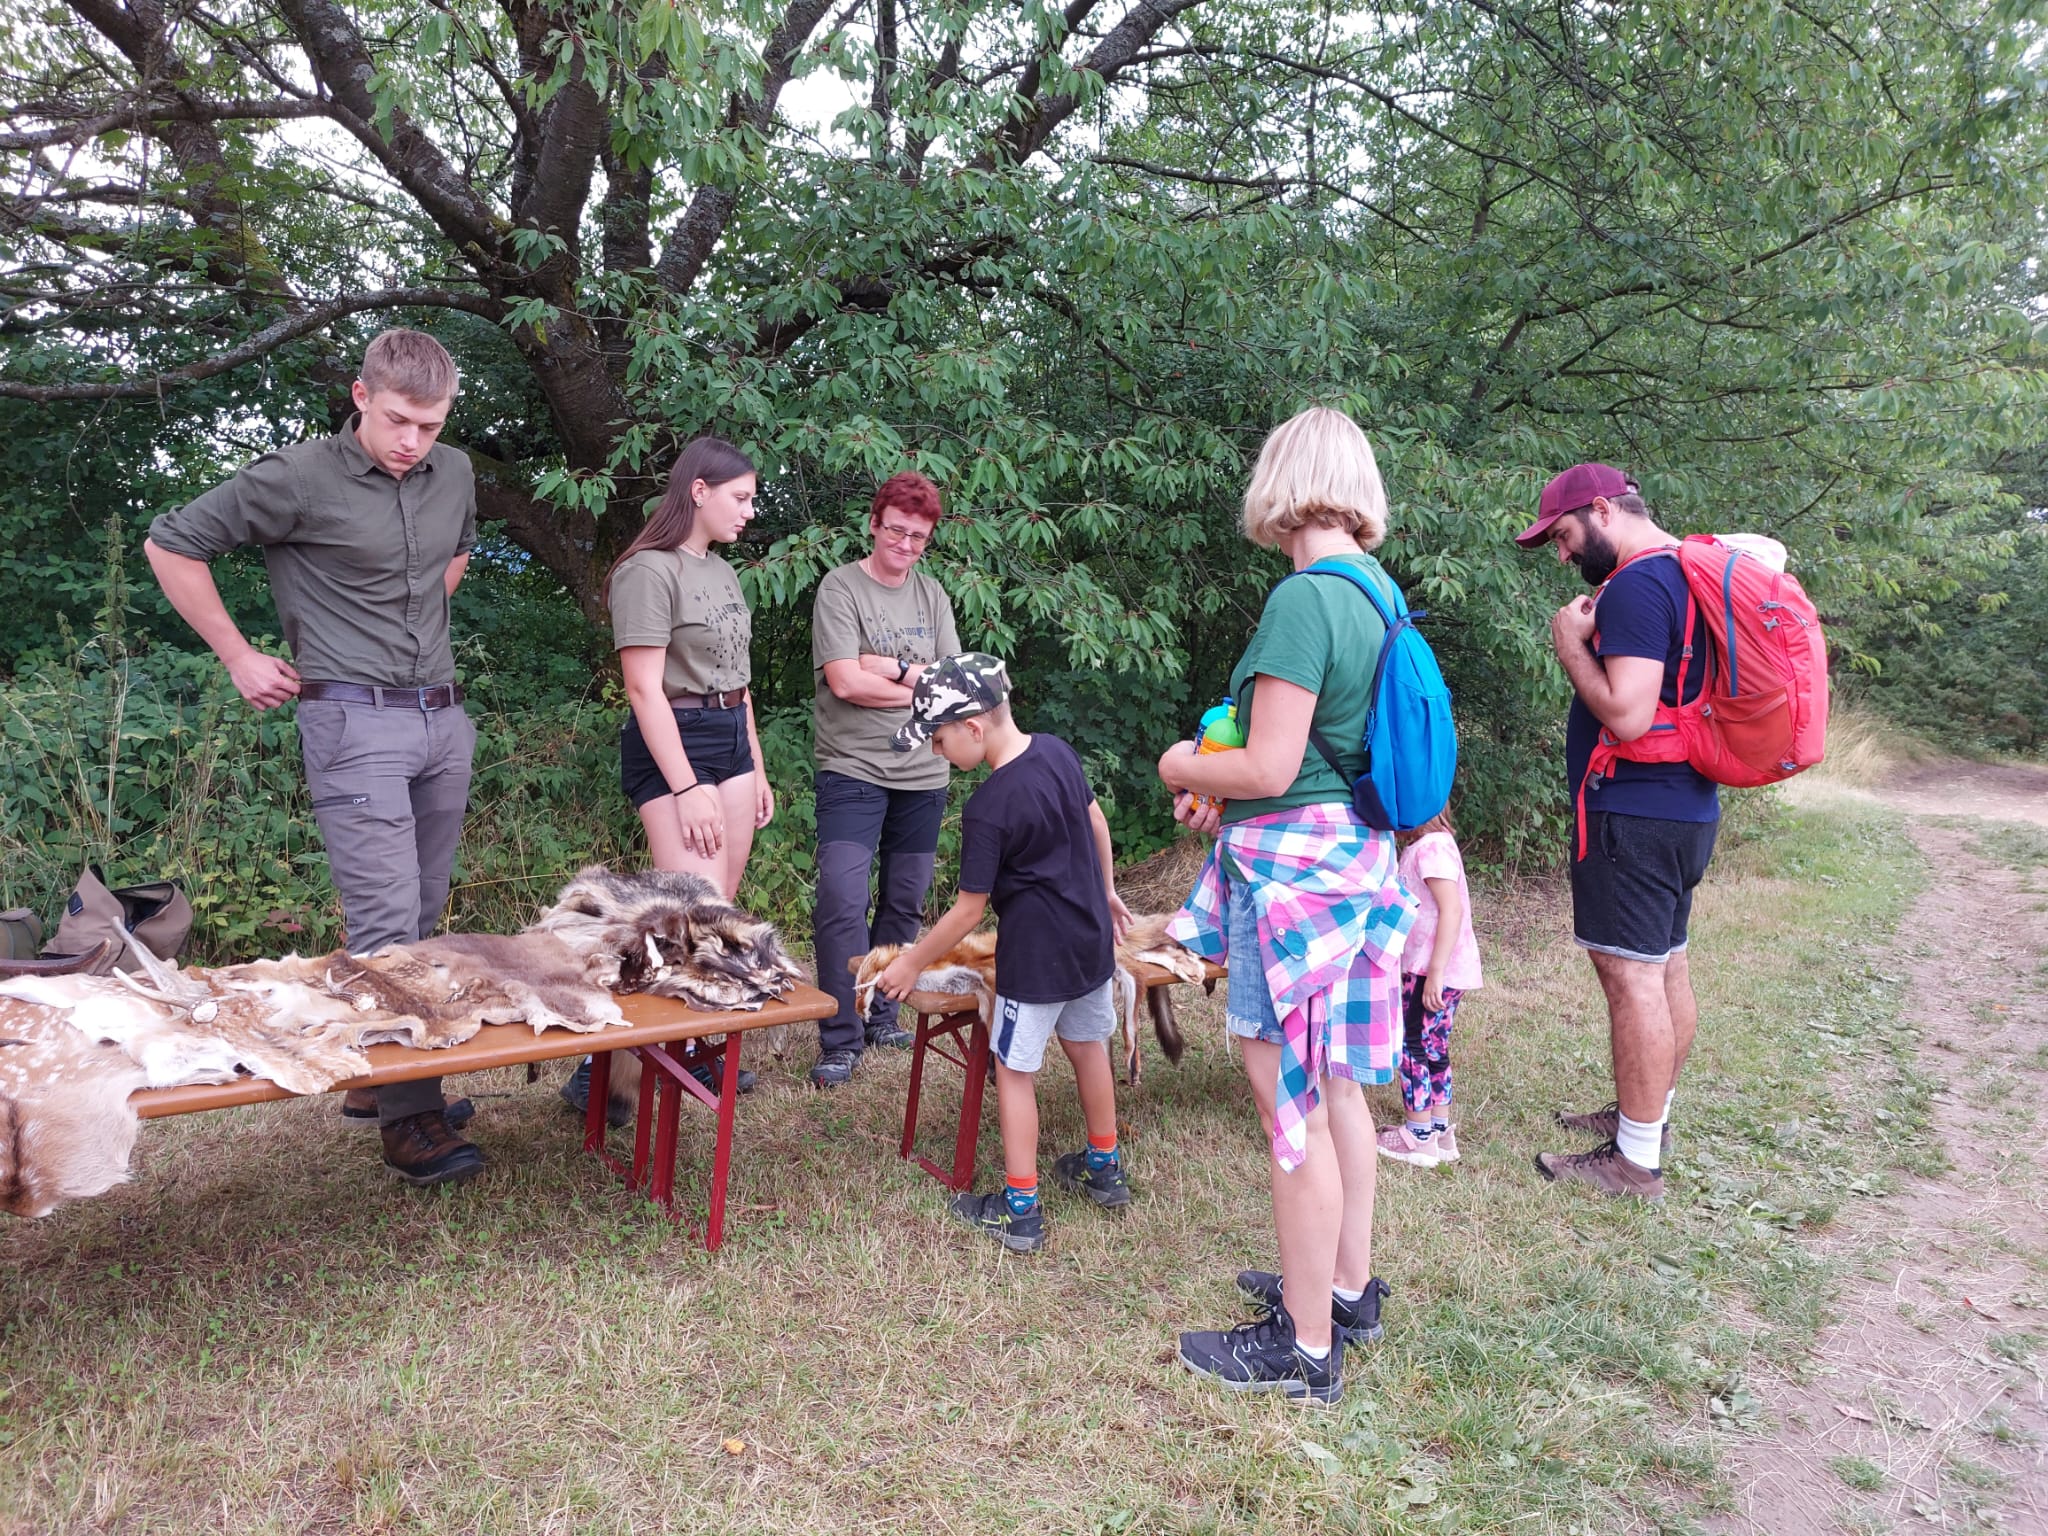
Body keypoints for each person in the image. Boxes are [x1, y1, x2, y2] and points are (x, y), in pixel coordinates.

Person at [143, 328, 485, 1186]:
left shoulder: (456, 474)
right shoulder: (298, 477)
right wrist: (238, 655)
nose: (414, 441)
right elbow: (170, 543)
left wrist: (402, 615)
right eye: (400, 420)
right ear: (362, 396)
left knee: (427, 911)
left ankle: (377, 1079)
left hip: (442, 719)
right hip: (352, 723)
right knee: (387, 926)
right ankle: (413, 1121)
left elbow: (456, 557)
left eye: (431, 426)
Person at [1157, 406, 1414, 1405]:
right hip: (1354, 861)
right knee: (1336, 1087)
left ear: (1279, 481)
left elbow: (1264, 764)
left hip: (1292, 878)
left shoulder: (1305, 599)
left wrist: (1181, 762)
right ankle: (1344, 1289)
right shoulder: (1376, 592)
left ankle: (1303, 1350)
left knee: (1289, 1107)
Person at [876, 654, 1133, 1254]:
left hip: (1036, 959)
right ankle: (1105, 1167)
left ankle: (1021, 1209)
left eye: (938, 740)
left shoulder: (987, 806)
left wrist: (912, 962)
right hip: (1089, 940)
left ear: (973, 727)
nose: (938, 754)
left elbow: (969, 910)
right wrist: (1108, 889)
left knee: (1014, 1072)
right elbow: (1097, 824)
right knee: (1087, 1048)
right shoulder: (1057, 751)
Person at [1515, 463, 1716, 1200]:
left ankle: (1634, 1160)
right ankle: (1645, 1117)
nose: (1563, 554)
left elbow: (1627, 713)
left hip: (1633, 811)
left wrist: (1570, 646)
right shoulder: (1687, 573)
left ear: (1603, 510)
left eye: (1564, 535)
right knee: (1664, 968)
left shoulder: (1637, 584)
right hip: (1685, 807)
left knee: (1632, 978)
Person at [562, 437, 772, 1117]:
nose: (750, 509)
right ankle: (605, 1077)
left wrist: (757, 764)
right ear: (700, 491)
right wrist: (684, 788)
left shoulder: (722, 571)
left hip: (729, 735)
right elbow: (643, 689)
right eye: (741, 497)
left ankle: (686, 1053)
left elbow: (740, 682)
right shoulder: (647, 571)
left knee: (716, 912)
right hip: (672, 740)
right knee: (676, 920)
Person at [807, 471, 960, 1089]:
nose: (905, 543)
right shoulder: (840, 588)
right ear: (874, 524)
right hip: (852, 767)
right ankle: (840, 1035)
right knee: (842, 899)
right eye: (895, 529)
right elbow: (844, 682)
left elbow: (952, 689)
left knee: (904, 899)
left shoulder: (934, 596)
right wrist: (914, 683)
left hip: (924, 771)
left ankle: (882, 1014)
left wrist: (889, 667)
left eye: (917, 536)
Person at [1377, 811, 1483, 1168]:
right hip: (1440, 969)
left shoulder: (1431, 849)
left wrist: (1434, 972)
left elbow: (1450, 910)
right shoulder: (1430, 846)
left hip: (1429, 970)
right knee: (1434, 1044)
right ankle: (1440, 1130)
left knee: (1413, 1046)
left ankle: (1418, 1136)